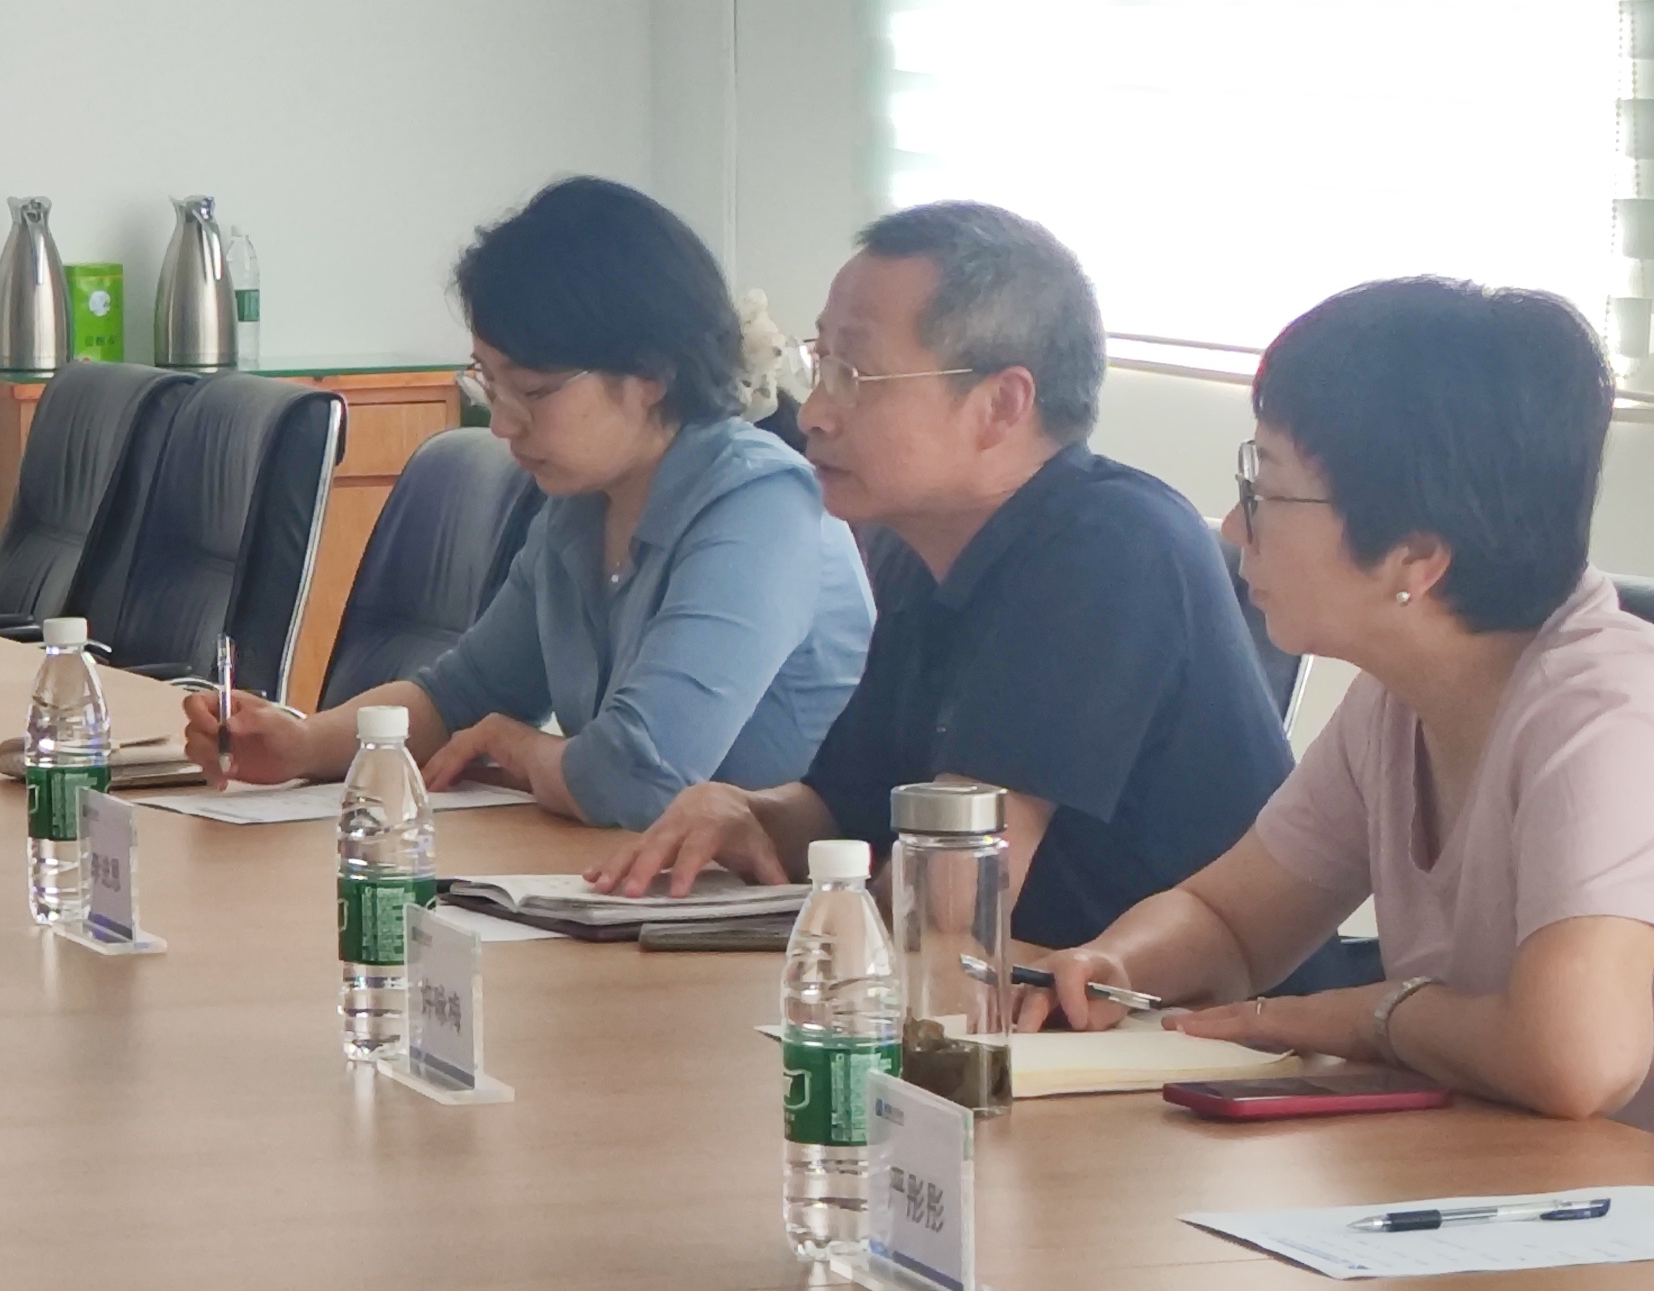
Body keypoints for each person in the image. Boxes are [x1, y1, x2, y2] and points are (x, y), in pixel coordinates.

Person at [1039, 279, 1654, 1210]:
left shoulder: (1605, 709)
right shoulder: (1399, 696)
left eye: (1265, 491)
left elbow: (1576, 1059)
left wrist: (1365, 1015)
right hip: (1591, 1202)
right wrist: (1115, 964)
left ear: (1415, 558)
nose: (1236, 528)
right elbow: (1231, 921)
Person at [602, 202, 1291, 943]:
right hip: (1008, 997)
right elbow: (844, 812)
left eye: (854, 374)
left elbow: (951, 897)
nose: (814, 413)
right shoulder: (920, 547)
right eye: (819, 364)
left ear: (1000, 405)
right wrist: (745, 812)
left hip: (1167, 1009)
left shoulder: (1111, 548)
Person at [185, 178, 868, 823]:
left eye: (534, 391)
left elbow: (640, 777)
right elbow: (461, 694)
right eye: (490, 383)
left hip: (780, 900)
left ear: (651, 374)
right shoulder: (581, 504)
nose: (504, 423)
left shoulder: (761, 506)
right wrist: (302, 744)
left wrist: (518, 748)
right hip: (640, 884)